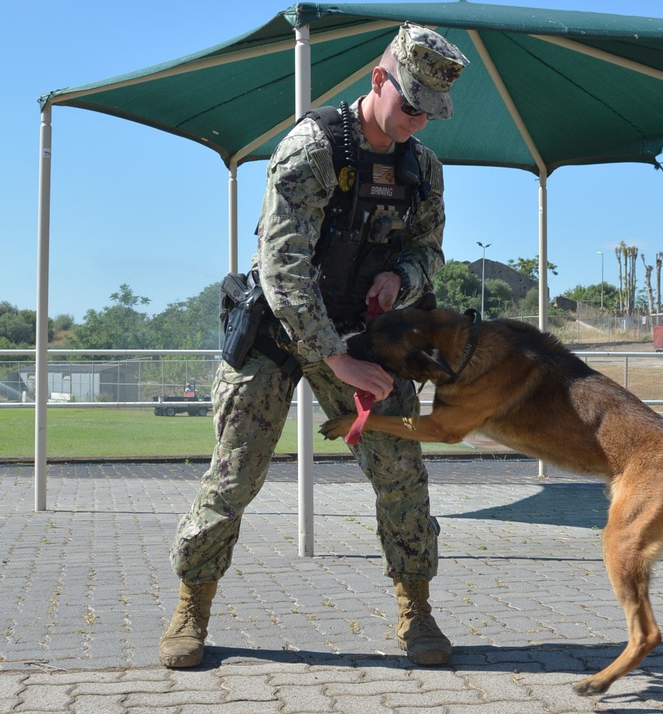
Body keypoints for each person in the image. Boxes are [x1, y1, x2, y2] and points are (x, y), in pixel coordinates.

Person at [159, 23, 468, 670]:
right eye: (409, 104)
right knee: (234, 476)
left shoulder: (423, 168)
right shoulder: (314, 148)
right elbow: (283, 268)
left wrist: (401, 277)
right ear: (378, 79)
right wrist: (337, 358)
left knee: (402, 477)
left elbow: (428, 249)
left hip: (361, 332)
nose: (417, 121)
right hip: (278, 333)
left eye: (430, 113)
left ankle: (417, 610)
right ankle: (193, 604)